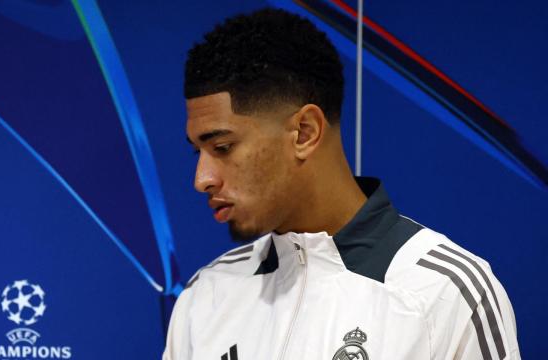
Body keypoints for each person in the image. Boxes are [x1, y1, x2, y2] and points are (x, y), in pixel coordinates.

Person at [164, 8, 520, 360]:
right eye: (198, 151)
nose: (202, 179)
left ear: (305, 132)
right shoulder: (204, 297)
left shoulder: (446, 293)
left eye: (222, 147)